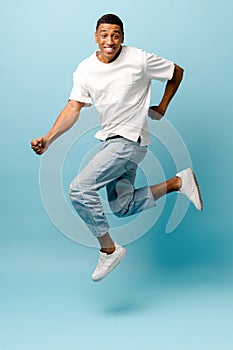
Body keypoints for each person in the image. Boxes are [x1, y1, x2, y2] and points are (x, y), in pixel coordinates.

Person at [31, 14, 203, 282]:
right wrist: (49, 137)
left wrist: (162, 106)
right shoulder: (85, 69)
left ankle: (108, 250)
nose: (109, 41)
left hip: (129, 140)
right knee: (122, 205)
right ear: (95, 37)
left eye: (115, 35)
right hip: (112, 141)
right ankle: (178, 183)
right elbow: (73, 107)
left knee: (79, 189)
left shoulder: (138, 59)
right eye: (104, 34)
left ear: (122, 37)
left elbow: (176, 72)